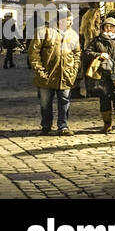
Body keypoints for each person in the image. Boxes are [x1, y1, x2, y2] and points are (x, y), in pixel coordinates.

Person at [29, 8, 80, 136]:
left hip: (65, 75)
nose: (70, 23)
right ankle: (46, 125)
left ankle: (63, 126)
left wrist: (74, 71)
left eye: (70, 20)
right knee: (45, 103)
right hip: (47, 74)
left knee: (64, 102)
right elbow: (33, 53)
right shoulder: (43, 32)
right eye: (67, 20)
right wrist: (40, 71)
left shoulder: (73, 34)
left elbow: (77, 54)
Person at [81, 17, 115, 133]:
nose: (108, 28)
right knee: (104, 99)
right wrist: (98, 55)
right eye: (106, 26)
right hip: (102, 75)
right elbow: (87, 53)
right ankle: (107, 124)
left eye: (111, 26)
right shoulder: (97, 40)